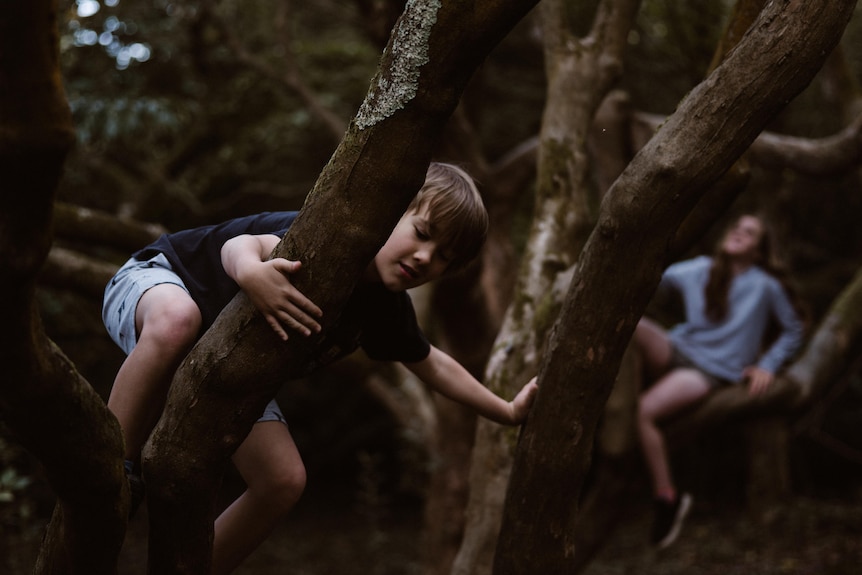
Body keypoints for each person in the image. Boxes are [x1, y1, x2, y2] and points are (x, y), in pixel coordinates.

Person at [102, 162, 539, 575]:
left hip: (223, 366)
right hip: (155, 284)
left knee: (283, 480)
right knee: (179, 320)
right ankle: (112, 467)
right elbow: (240, 246)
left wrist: (506, 411)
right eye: (422, 233)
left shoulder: (384, 308)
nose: (426, 257)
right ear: (391, 211)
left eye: (443, 256)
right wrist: (252, 274)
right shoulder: (331, 241)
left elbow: (433, 364)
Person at [632, 213, 804, 550]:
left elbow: (794, 327)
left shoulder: (765, 285)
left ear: (759, 250)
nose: (739, 232)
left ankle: (667, 497)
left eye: (750, 232)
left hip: (710, 370)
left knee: (642, 412)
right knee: (631, 325)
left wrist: (767, 365)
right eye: (737, 227)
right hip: (677, 348)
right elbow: (653, 277)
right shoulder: (700, 267)